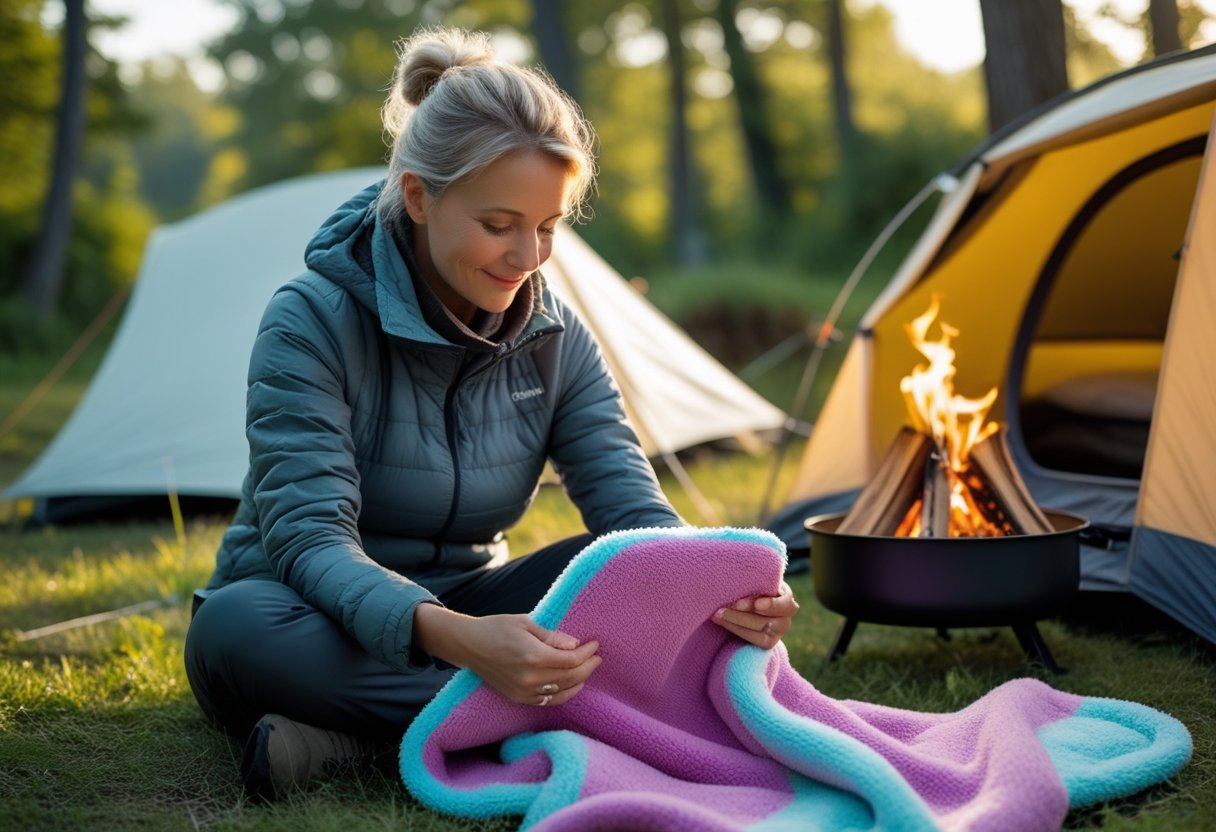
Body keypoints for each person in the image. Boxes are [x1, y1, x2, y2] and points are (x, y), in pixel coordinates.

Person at [183, 26, 799, 802]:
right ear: (420, 197)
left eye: (547, 228)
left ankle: (350, 744)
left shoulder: (559, 338)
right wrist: (465, 643)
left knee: (618, 569)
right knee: (236, 629)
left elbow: (630, 512)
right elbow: (308, 541)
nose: (526, 256)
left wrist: (711, 588)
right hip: (305, 613)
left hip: (472, 604)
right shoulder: (308, 321)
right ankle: (580, 721)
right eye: (499, 225)